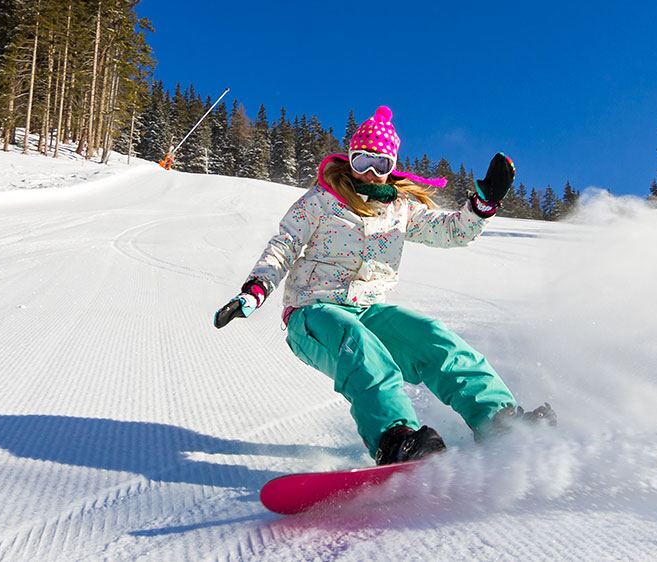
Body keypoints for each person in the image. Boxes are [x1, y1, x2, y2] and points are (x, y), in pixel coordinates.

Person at [214, 106, 554, 465]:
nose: (371, 174)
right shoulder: (322, 199)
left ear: (392, 167)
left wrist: (483, 205)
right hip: (313, 313)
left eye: (381, 165)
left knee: (433, 338)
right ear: (349, 160)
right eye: (362, 163)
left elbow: (452, 231)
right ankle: (395, 437)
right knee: (360, 347)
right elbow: (283, 244)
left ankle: (497, 420)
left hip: (368, 309)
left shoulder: (400, 209)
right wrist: (255, 289)